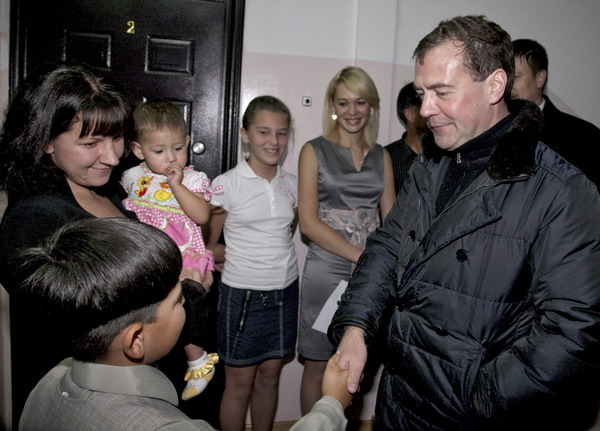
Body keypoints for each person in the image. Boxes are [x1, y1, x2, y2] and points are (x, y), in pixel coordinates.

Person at [329, 15, 600, 430]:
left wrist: (480, 394)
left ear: (494, 86)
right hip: (399, 401)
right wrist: (355, 328)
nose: (424, 109)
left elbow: (574, 330)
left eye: (441, 92)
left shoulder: (561, 190)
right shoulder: (431, 163)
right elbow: (386, 247)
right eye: (422, 93)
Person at [19, 217, 350, 431]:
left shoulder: (51, 380)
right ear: (135, 341)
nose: (186, 304)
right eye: (179, 300)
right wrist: (331, 404)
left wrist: (187, 289)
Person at [0, 63, 134, 423]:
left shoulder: (110, 190)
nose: (113, 156)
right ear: (44, 141)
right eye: (90, 143)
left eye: (117, 137)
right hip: (80, 403)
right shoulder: (36, 218)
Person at [297, 65, 396, 414]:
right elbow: (307, 222)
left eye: (361, 102)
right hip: (326, 270)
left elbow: (393, 221)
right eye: (344, 102)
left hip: (369, 276)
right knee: (317, 364)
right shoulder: (313, 150)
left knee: (356, 363)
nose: (353, 111)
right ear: (332, 105)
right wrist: (360, 255)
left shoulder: (382, 156)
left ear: (371, 106)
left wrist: (378, 264)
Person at [205, 95, 299, 431]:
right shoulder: (226, 184)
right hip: (242, 295)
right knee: (239, 383)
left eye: (282, 133)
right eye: (264, 132)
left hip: (286, 292)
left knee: (271, 375)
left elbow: (284, 234)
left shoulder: (292, 184)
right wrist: (233, 256)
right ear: (245, 134)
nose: (274, 141)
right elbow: (208, 247)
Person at [121, 100, 220, 401]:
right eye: (159, 151)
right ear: (139, 150)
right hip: (149, 259)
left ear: (188, 143)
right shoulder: (133, 178)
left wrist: (177, 185)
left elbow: (202, 216)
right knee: (149, 320)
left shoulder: (191, 179)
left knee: (185, 313)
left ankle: (199, 360)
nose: (171, 158)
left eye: (178, 148)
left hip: (184, 257)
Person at [511, 38, 600, 189]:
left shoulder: (584, 136)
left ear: (540, 78)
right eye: (505, 77)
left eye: (516, 76)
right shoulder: (487, 132)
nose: (508, 85)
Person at [385, 81, 429, 194]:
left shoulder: (444, 157)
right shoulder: (387, 158)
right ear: (410, 114)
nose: (432, 112)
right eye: (425, 106)